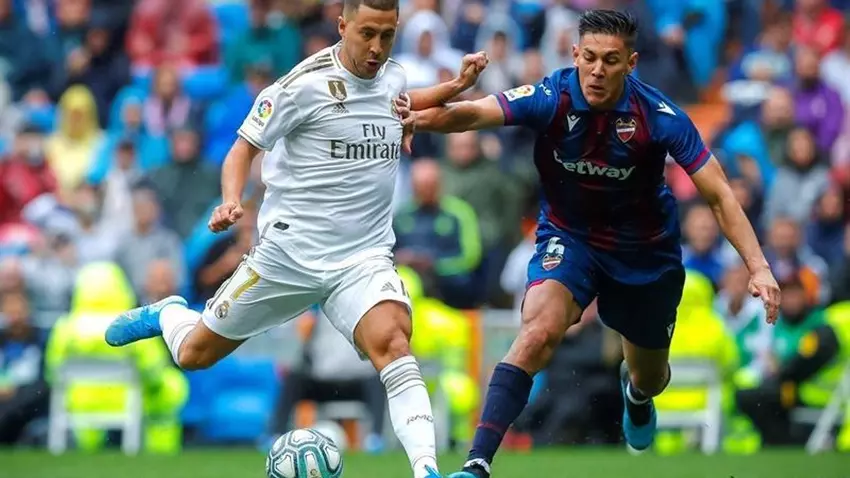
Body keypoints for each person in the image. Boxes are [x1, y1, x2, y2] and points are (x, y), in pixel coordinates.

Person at [103, 1, 487, 477]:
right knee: (193, 354)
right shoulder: (299, 86)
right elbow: (242, 148)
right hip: (289, 256)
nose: (377, 47)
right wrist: (230, 201)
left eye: (387, 36)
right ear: (342, 25)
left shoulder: (392, 76)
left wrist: (455, 87)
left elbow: (398, 100)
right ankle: (168, 314)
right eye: (367, 33)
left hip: (362, 257)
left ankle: (426, 470)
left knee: (394, 342)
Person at [402, 9, 781, 478]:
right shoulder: (551, 96)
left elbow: (719, 194)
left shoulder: (658, 116)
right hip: (571, 238)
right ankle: (476, 463)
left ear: (631, 63)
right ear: (575, 54)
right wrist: (415, 120)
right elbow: (473, 113)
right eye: (590, 58)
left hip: (644, 253)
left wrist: (759, 266)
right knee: (537, 332)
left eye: (611, 60)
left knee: (650, 376)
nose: (598, 70)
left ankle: (636, 394)